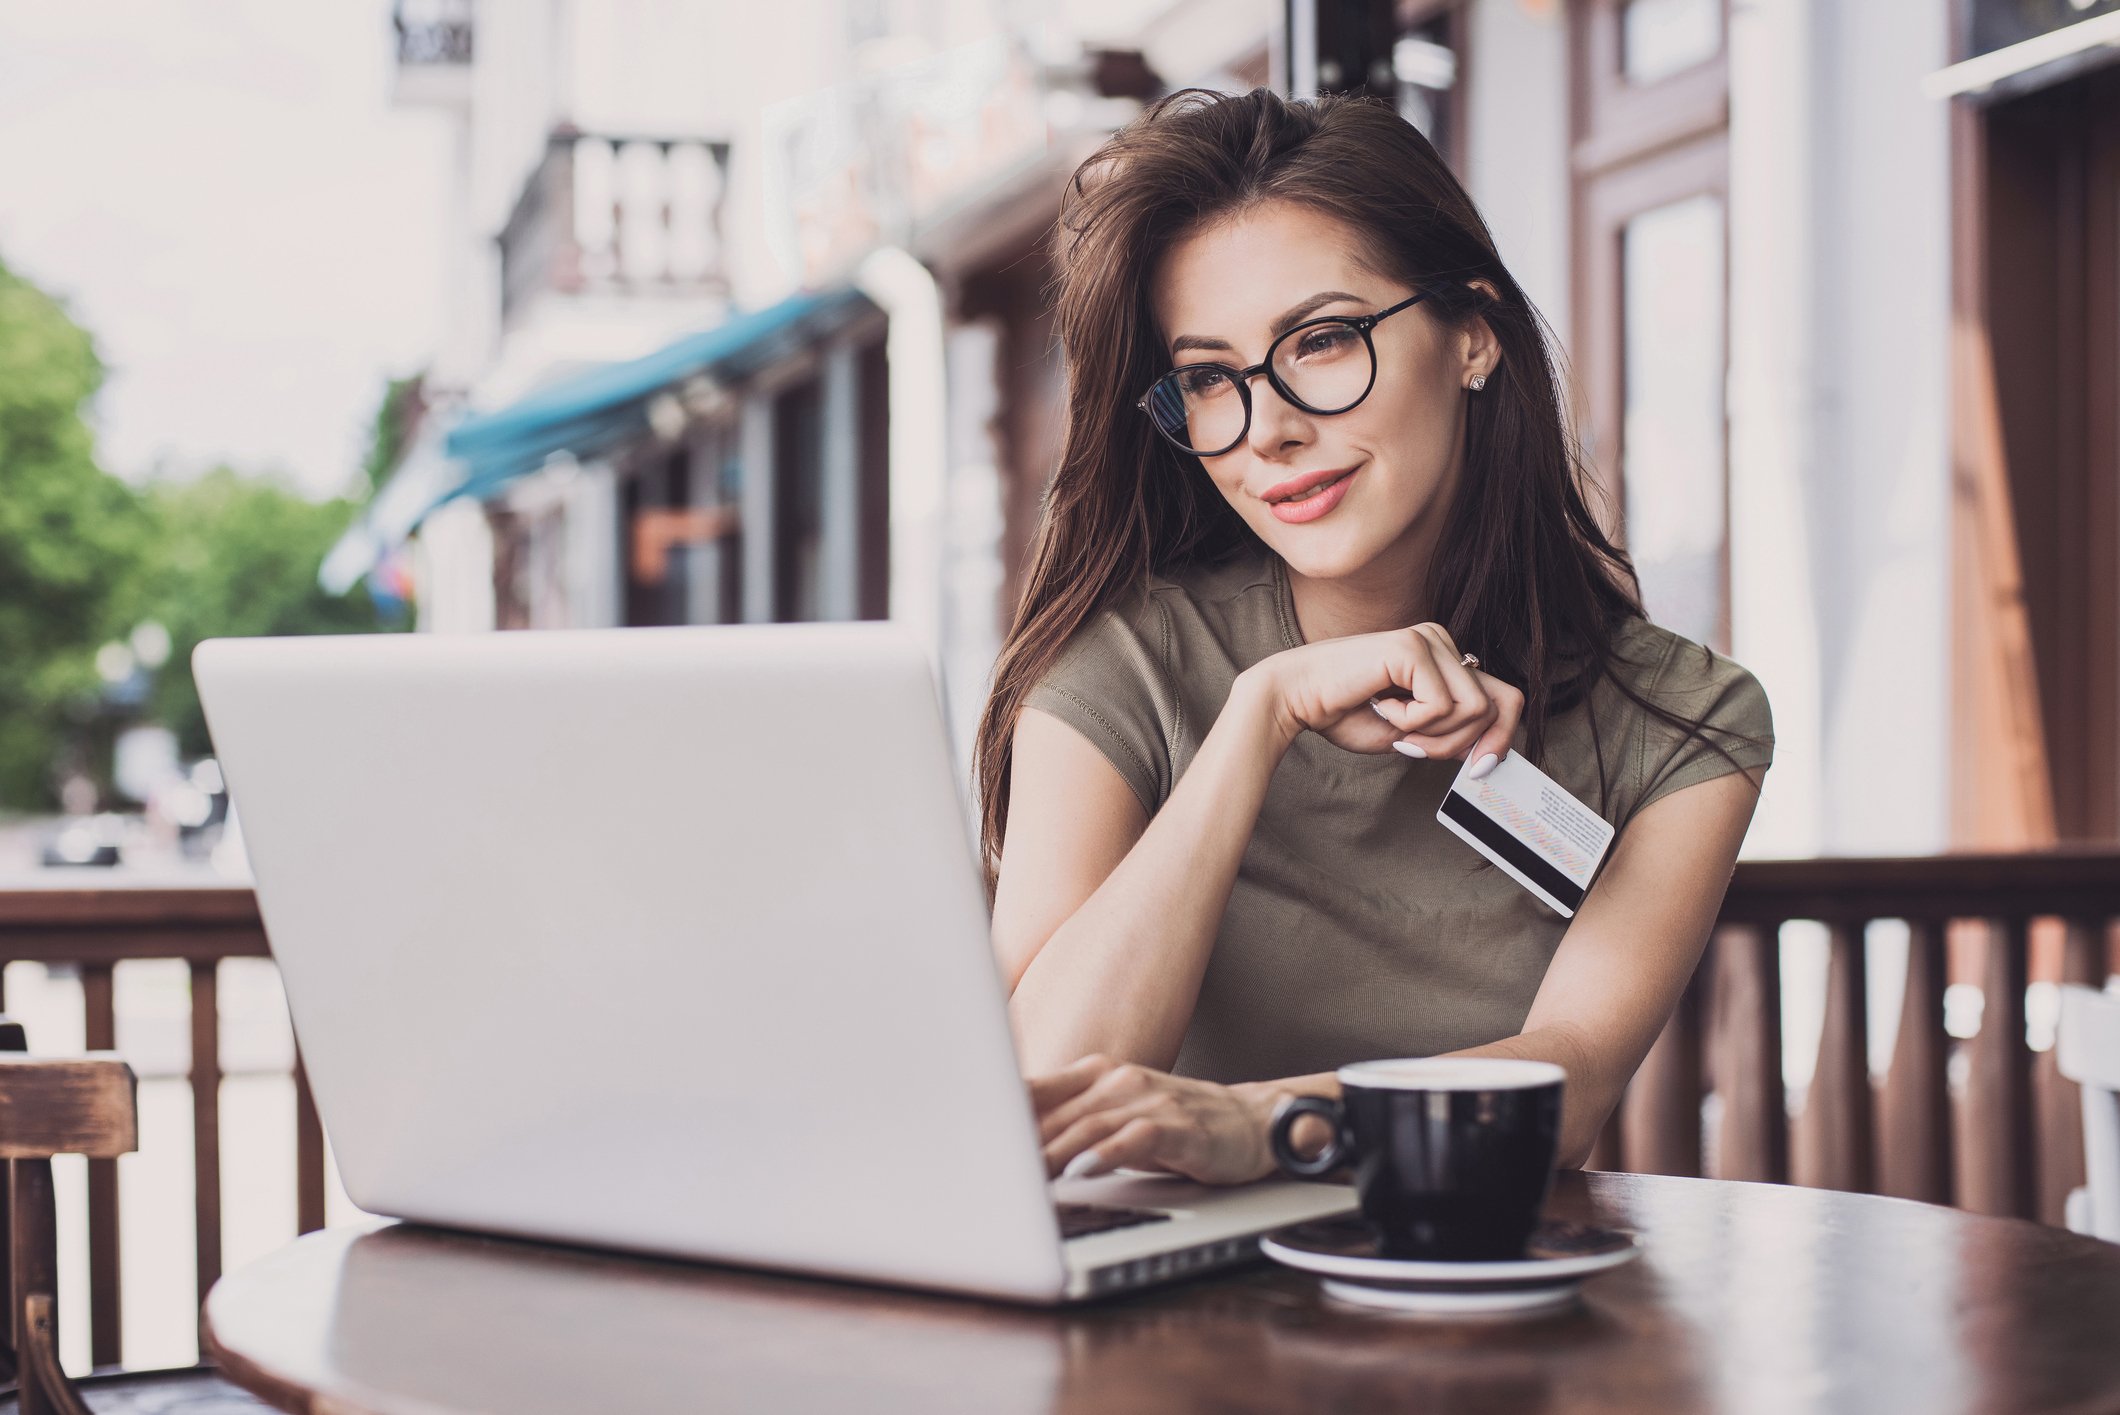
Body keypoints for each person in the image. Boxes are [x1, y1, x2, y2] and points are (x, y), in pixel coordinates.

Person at [971, 87, 1773, 1187]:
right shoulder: (1122, 665)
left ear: (1472, 336)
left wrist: (1254, 1124)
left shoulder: (1679, 723)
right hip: (1155, 1326)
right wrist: (1261, 715)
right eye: (1209, 379)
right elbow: (1040, 1097)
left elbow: (1568, 1084)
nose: (1272, 428)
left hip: (1475, 1299)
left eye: (1321, 339)